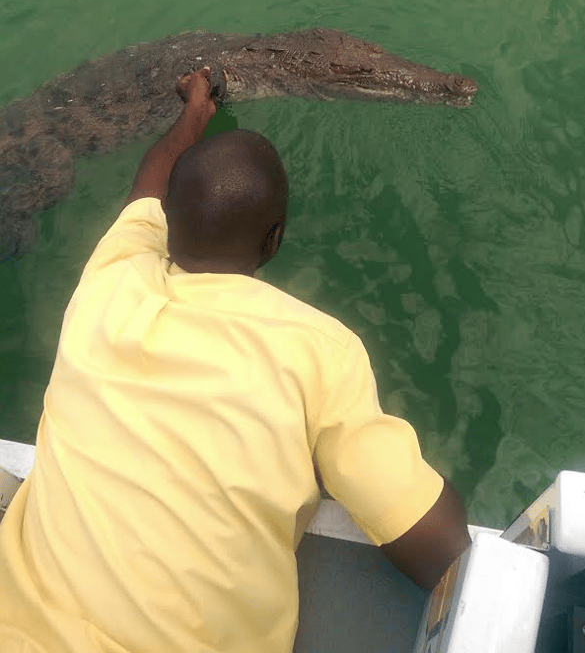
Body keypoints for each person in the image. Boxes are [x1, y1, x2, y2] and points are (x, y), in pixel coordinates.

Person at [0, 68, 470, 653]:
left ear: (162, 224)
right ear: (274, 241)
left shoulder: (108, 280)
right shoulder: (320, 349)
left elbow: (147, 184)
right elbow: (438, 546)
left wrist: (194, 111)